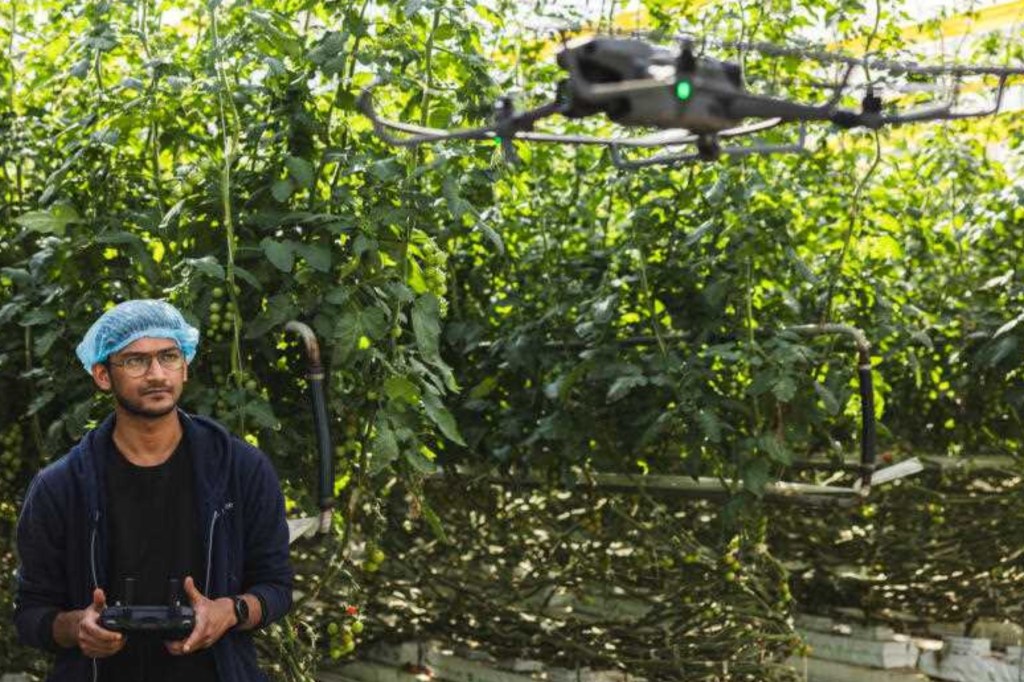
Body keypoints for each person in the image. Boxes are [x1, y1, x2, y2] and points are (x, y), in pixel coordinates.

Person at [14, 299, 293, 681]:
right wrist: (77, 626)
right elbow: (30, 614)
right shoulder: (62, 486)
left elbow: (276, 586)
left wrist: (230, 611)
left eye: (169, 356)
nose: (157, 373)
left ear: (186, 365)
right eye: (135, 361)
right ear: (102, 375)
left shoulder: (239, 470)